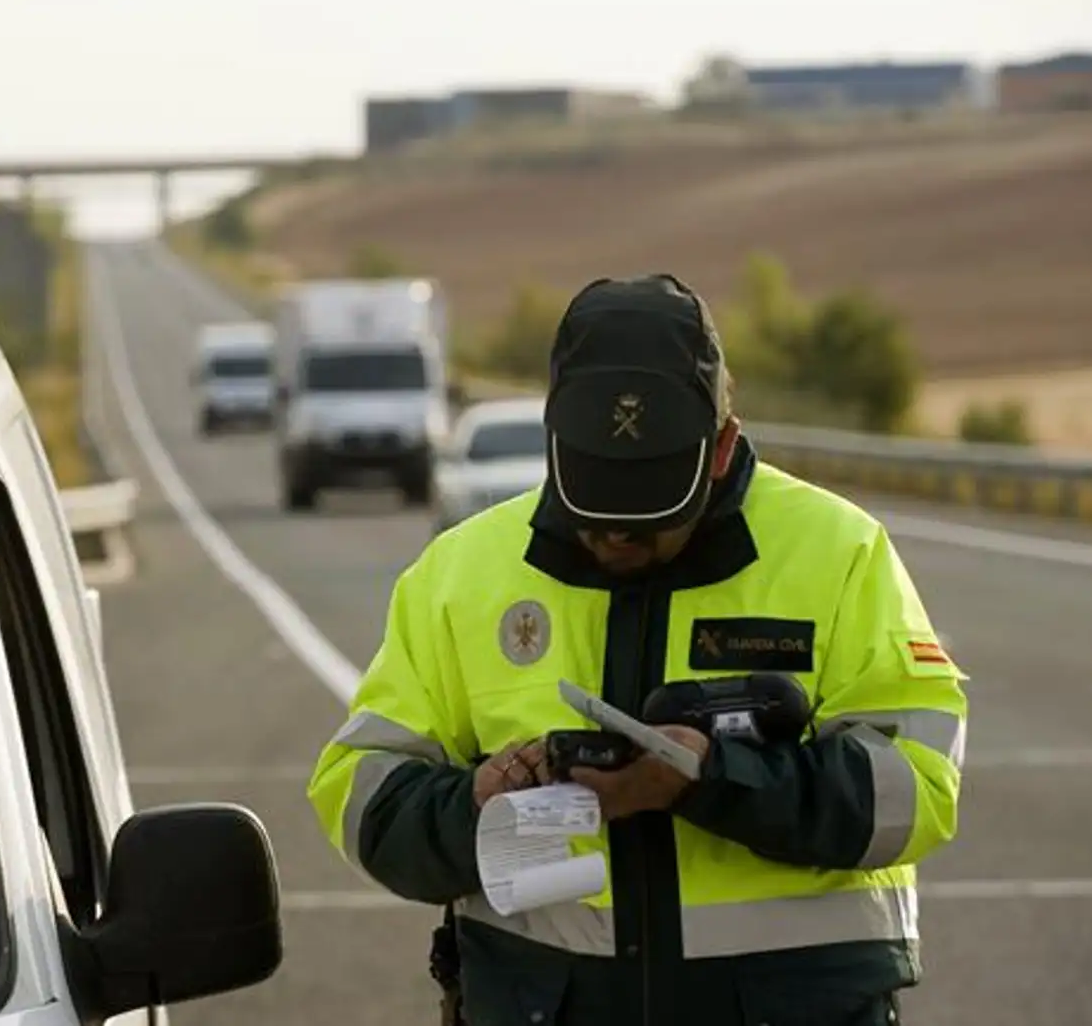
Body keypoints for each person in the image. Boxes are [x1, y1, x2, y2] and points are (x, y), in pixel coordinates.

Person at [308, 274, 968, 1026]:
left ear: (721, 449)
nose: (617, 535)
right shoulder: (457, 576)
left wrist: (710, 779)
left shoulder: (841, 553)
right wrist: (478, 803)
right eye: (596, 505)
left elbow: (917, 792)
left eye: (652, 510)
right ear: (554, 442)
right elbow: (361, 797)